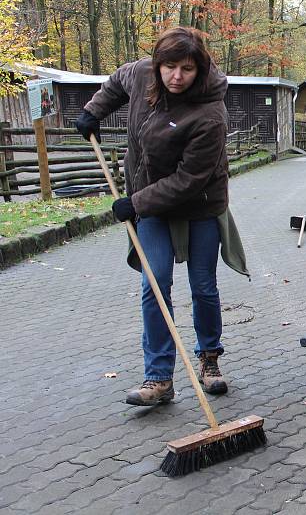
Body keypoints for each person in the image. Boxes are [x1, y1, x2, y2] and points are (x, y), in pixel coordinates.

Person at [74, 27, 249, 406]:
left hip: (199, 205)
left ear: (198, 69)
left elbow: (189, 179)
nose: (176, 77)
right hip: (149, 204)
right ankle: (158, 379)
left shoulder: (209, 114)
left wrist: (135, 204)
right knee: (155, 284)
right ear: (157, 64)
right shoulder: (141, 74)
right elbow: (117, 82)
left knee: (202, 286)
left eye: (186, 68)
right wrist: (93, 111)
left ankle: (210, 360)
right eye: (169, 66)